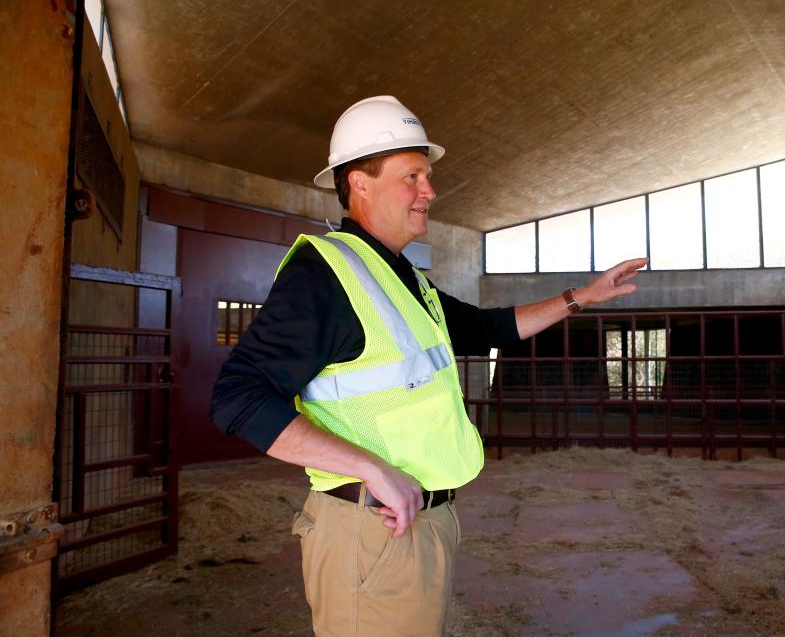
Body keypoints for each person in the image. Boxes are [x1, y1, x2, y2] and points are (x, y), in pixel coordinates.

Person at [210, 95, 647, 636]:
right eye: (413, 176)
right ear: (359, 182)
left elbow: (488, 327)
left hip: (417, 519)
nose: (430, 192)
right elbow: (239, 396)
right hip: (370, 525)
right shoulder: (323, 272)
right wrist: (371, 468)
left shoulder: (404, 277)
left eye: (427, 176)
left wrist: (580, 297)